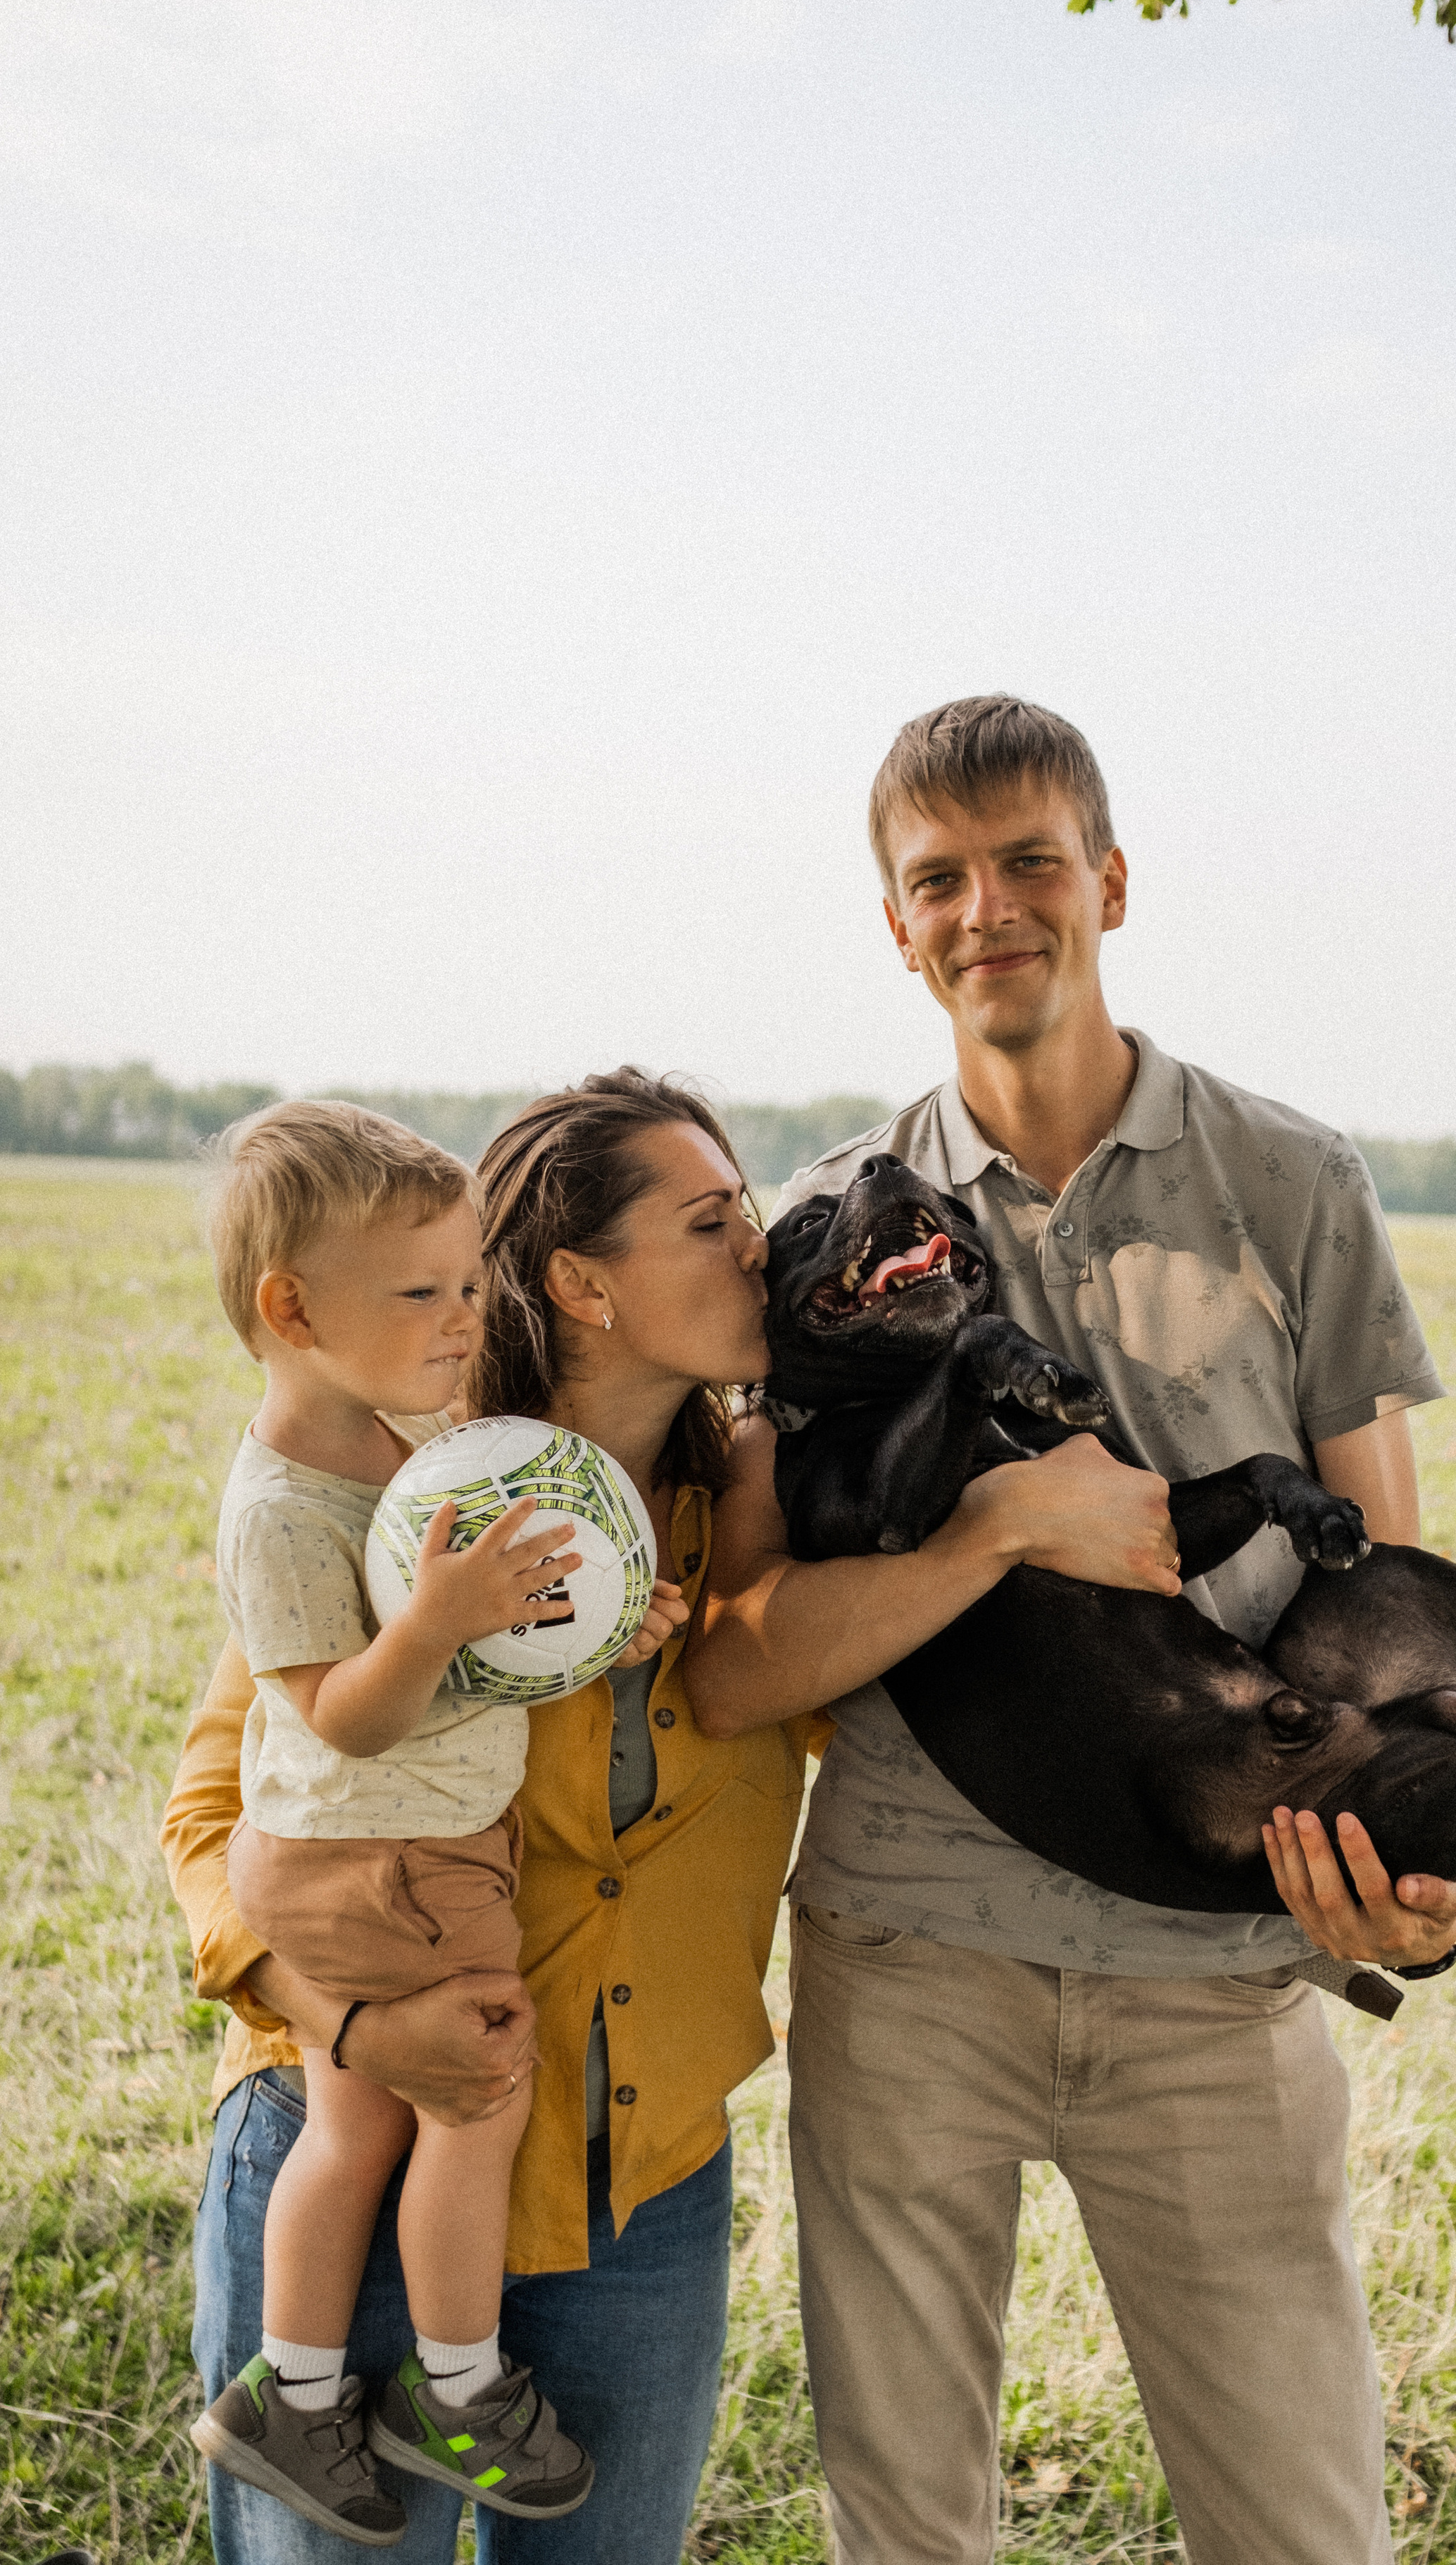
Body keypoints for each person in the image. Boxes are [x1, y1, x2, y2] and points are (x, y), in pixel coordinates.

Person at [163, 1066, 1164, 2565]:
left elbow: (782, 1682)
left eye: (746, 1215)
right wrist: (356, 2029)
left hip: (643, 2190)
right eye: (709, 1224)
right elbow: (215, 1815)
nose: (757, 1251)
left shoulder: (761, 1521)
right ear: (583, 1283)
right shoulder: (417, 1502)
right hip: (358, 2150)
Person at [686, 695, 1456, 2565]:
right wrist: (1002, 1528)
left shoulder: (1292, 1186)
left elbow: (1382, 1601)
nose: (989, 909)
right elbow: (740, 1652)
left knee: (1302, 2531)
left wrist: (1410, 1870)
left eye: (1030, 860)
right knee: (908, 2534)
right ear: (897, 925)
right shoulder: (814, 1239)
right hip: (907, 1970)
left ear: (1108, 880)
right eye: (938, 879)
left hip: (1215, 1987)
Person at [189, 1099, 687, 2540]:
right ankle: (453, 2392)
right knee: (477, 2100)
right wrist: (436, 1617)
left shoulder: (399, 1448)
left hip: (383, 1849)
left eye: (472, 1282)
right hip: (382, 1858)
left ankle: (292, 2389)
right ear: (292, 1307)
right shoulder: (282, 1507)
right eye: (424, 1291)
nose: (467, 1316)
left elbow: (478, 1652)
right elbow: (342, 1708)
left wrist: (592, 1626)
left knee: (355, 2134)